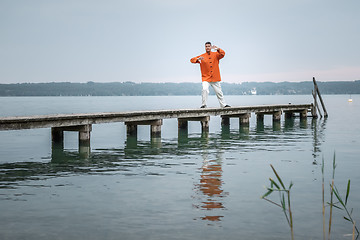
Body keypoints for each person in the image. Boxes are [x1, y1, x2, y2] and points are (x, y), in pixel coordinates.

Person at [190, 42, 230, 108]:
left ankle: (223, 105)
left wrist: (218, 49)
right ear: (205, 47)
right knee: (205, 89)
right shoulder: (202, 56)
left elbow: (223, 54)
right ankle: (204, 105)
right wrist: (197, 59)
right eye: (206, 46)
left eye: (209, 46)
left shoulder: (216, 54)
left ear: (211, 47)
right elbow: (191, 60)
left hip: (215, 77)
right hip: (206, 78)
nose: (207, 47)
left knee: (219, 92)